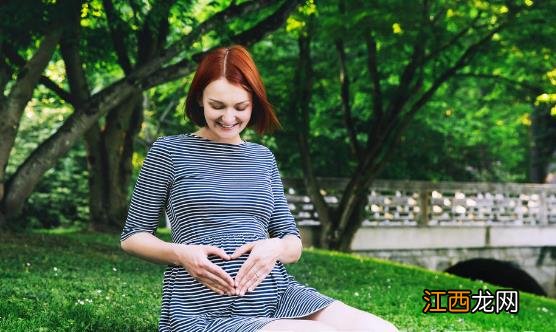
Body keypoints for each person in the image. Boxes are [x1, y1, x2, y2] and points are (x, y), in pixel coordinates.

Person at [120, 45, 398, 332]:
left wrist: (274, 247)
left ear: (255, 102)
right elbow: (133, 237)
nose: (229, 118)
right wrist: (181, 253)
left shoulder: (262, 157)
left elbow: (292, 242)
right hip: (202, 307)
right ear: (199, 99)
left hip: (278, 295)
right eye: (217, 106)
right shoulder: (169, 151)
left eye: (240, 107)